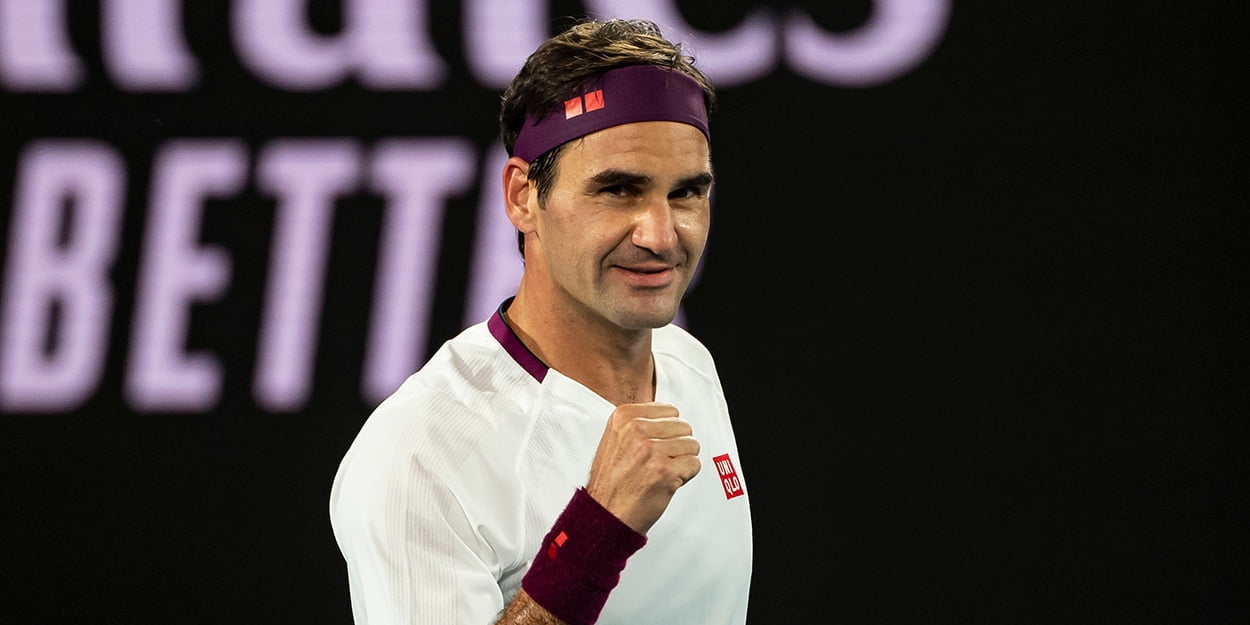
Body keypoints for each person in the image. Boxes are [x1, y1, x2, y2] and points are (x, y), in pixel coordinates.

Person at [329, 17, 752, 625]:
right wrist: (594, 534)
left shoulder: (688, 362)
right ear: (523, 196)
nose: (662, 236)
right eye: (619, 190)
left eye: (686, 193)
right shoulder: (418, 455)